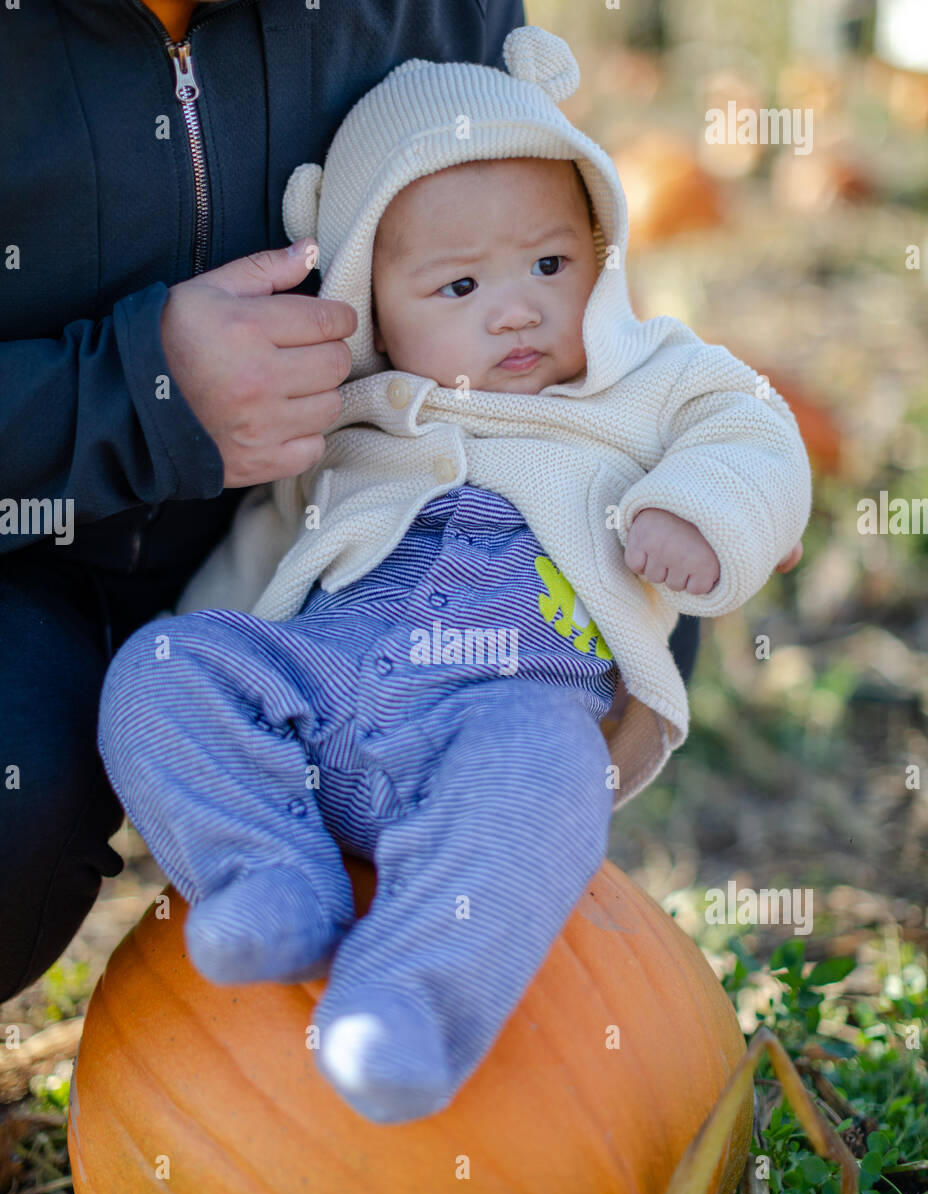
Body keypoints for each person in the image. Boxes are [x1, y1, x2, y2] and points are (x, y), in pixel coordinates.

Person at [96, 27, 811, 1124]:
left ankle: (411, 1007)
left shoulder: (649, 376)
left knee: (550, 772)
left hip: (497, 714)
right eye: (460, 283)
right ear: (370, 301)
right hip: (323, 700)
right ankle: (263, 874)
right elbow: (255, 562)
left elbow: (754, 430)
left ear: (601, 248)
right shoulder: (347, 414)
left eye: (550, 264)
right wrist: (204, 711)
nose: (516, 308)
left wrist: (702, 511)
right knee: (162, 664)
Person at [0, 0, 539, 1004]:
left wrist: (665, 457)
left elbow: (545, 272)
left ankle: (385, 964)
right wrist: (136, 395)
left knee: (577, 595)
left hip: (321, 541)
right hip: (18, 564)